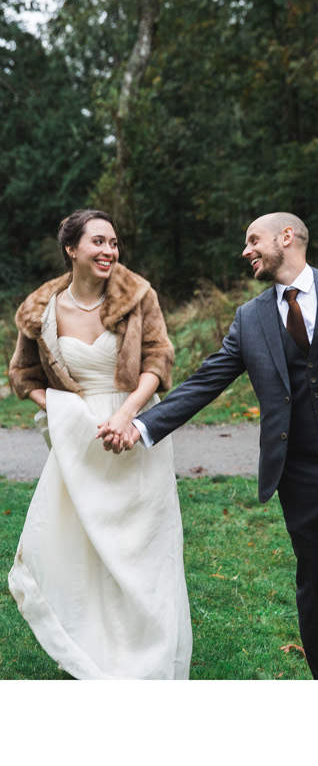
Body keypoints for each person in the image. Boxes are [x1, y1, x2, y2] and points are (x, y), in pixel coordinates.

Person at [102, 212, 318, 680]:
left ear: (286, 237)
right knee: (314, 584)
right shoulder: (250, 318)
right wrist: (142, 426)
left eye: (253, 240)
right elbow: (206, 381)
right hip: (300, 472)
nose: (246, 250)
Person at [7, 209, 192, 679]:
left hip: (134, 431)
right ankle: (93, 650)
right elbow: (23, 375)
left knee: (142, 548)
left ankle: (148, 655)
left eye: (113, 242)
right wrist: (63, 411)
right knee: (79, 544)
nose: (109, 250)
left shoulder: (138, 295)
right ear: (72, 249)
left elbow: (158, 361)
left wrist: (126, 415)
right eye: (98, 242)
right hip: (78, 441)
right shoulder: (41, 309)